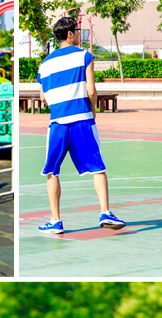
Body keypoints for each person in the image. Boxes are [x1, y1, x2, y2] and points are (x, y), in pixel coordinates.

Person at [35, 15, 126, 234]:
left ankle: (56, 221)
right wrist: (92, 112)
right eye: (77, 31)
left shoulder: (44, 64)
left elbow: (43, 98)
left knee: (52, 172)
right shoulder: (84, 56)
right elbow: (92, 90)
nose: (79, 34)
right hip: (82, 120)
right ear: (70, 34)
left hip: (57, 123)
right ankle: (105, 211)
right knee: (98, 167)